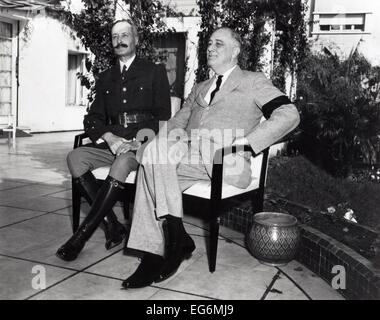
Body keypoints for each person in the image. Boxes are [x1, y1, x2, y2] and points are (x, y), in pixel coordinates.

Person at [121, 27, 300, 289]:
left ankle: (171, 244)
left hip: (224, 158)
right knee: (152, 155)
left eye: (219, 43)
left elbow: (289, 113)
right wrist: (149, 140)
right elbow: (177, 122)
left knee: (152, 163)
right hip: (188, 153)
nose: (211, 48)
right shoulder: (200, 87)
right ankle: (166, 244)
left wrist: (248, 143)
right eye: (209, 44)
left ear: (236, 51)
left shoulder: (252, 81)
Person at [56, 18, 171, 262]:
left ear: (136, 39)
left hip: (142, 145)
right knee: (75, 157)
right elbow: (93, 118)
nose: (119, 41)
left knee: (120, 164)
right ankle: (113, 225)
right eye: (115, 37)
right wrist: (108, 137)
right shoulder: (106, 77)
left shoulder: (154, 71)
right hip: (114, 143)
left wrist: (139, 141)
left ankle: (81, 237)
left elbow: (164, 116)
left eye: (124, 35)